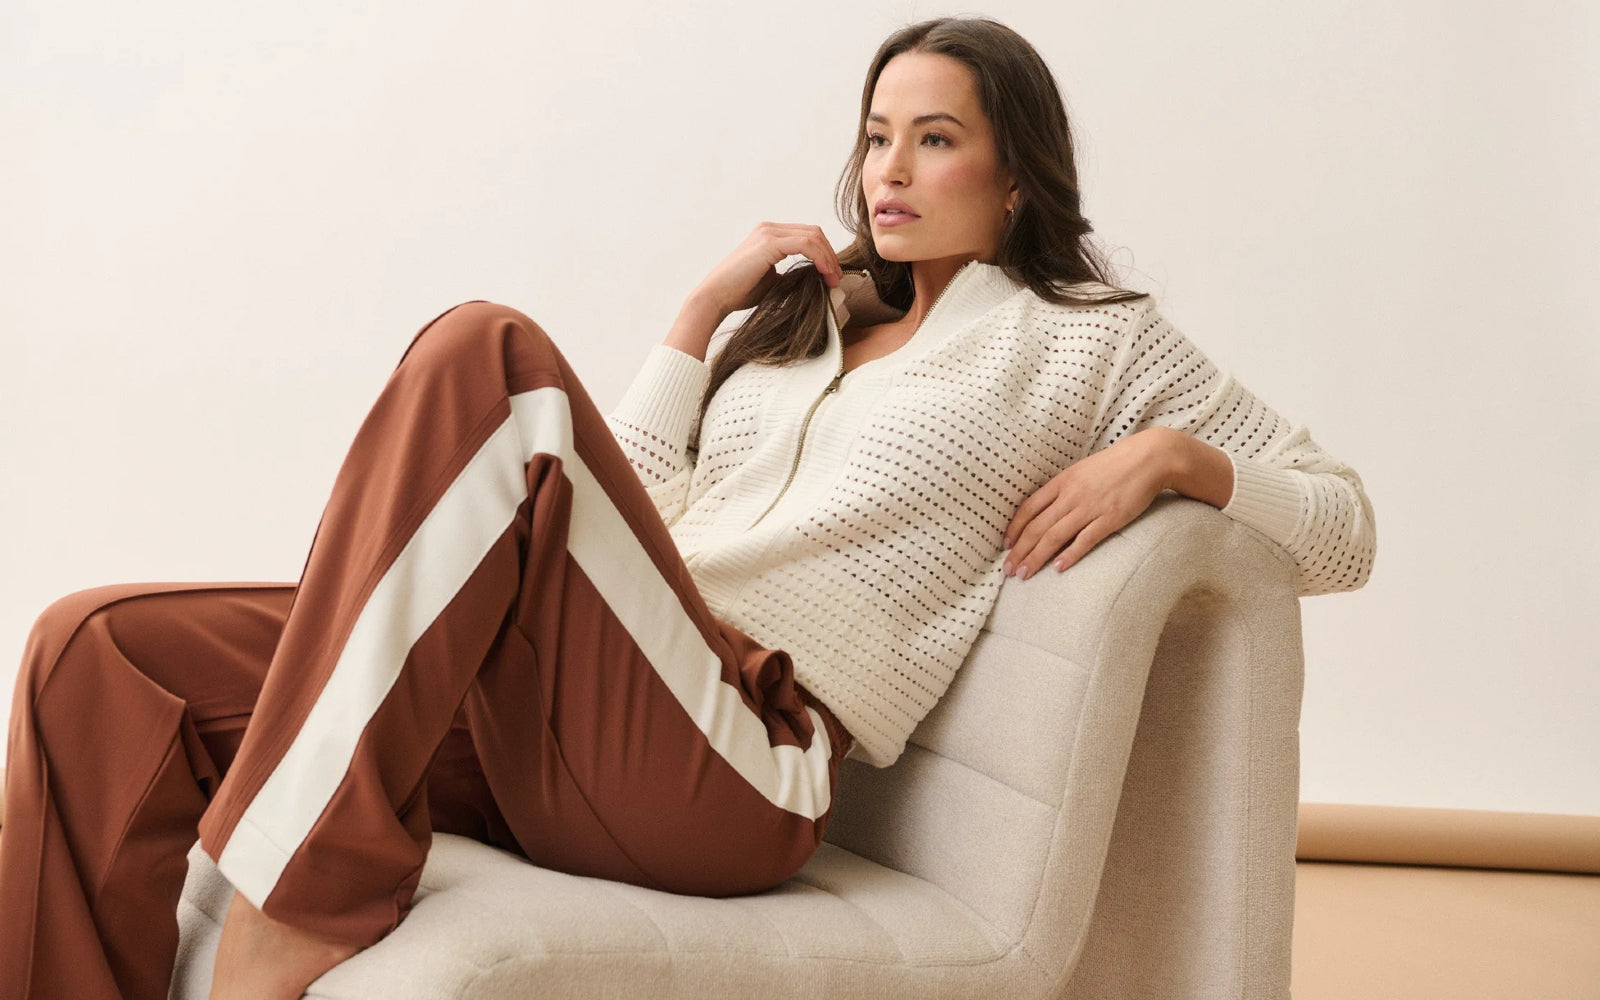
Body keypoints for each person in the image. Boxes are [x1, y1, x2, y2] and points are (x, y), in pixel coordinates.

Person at [0, 13, 1376, 1000]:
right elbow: (639, 515)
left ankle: (303, 893)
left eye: (935, 140)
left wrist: (1178, 460)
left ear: (1015, 176)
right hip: (595, 706)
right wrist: (696, 318)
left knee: (487, 358)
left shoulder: (1086, 340)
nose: (889, 172)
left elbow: (1344, 520)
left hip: (737, 761)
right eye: (876, 138)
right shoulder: (806, 325)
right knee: (99, 654)